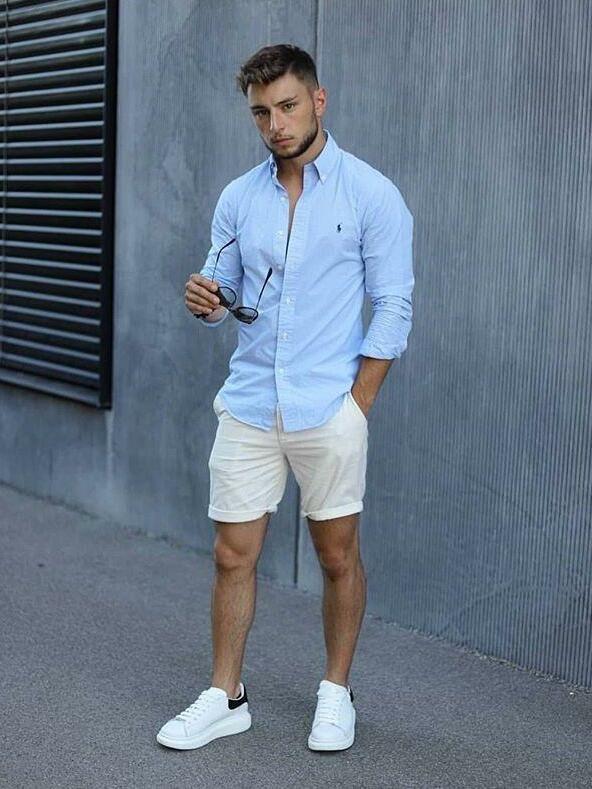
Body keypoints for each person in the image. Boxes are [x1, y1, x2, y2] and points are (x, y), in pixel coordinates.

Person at [156, 43, 414, 753]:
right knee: (230, 554)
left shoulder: (371, 195)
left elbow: (393, 305)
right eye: (261, 113)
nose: (275, 124)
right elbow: (225, 291)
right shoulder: (239, 198)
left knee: (337, 556)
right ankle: (226, 696)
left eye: (288, 106)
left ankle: (336, 692)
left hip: (329, 406)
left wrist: (357, 403)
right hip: (249, 401)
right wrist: (207, 302)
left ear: (318, 101)